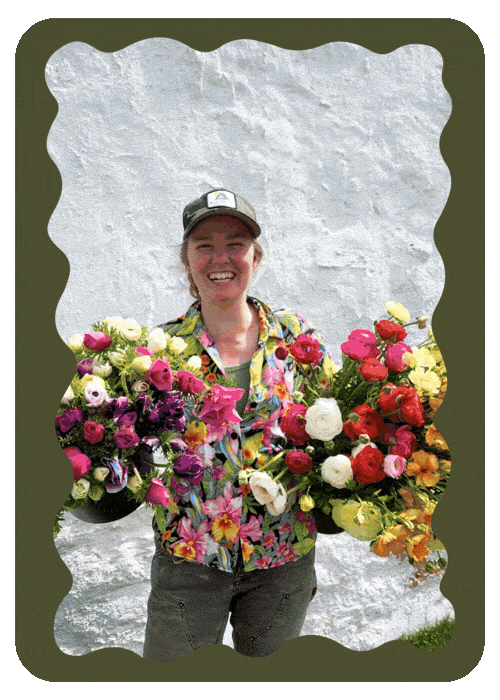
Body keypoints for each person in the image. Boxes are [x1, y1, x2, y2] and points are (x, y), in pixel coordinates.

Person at [143, 189, 338, 661]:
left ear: (256, 255)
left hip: (283, 557)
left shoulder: (297, 337)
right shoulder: (161, 350)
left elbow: (336, 429)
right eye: (203, 245)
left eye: (235, 243)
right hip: (189, 560)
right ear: (186, 260)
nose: (220, 258)